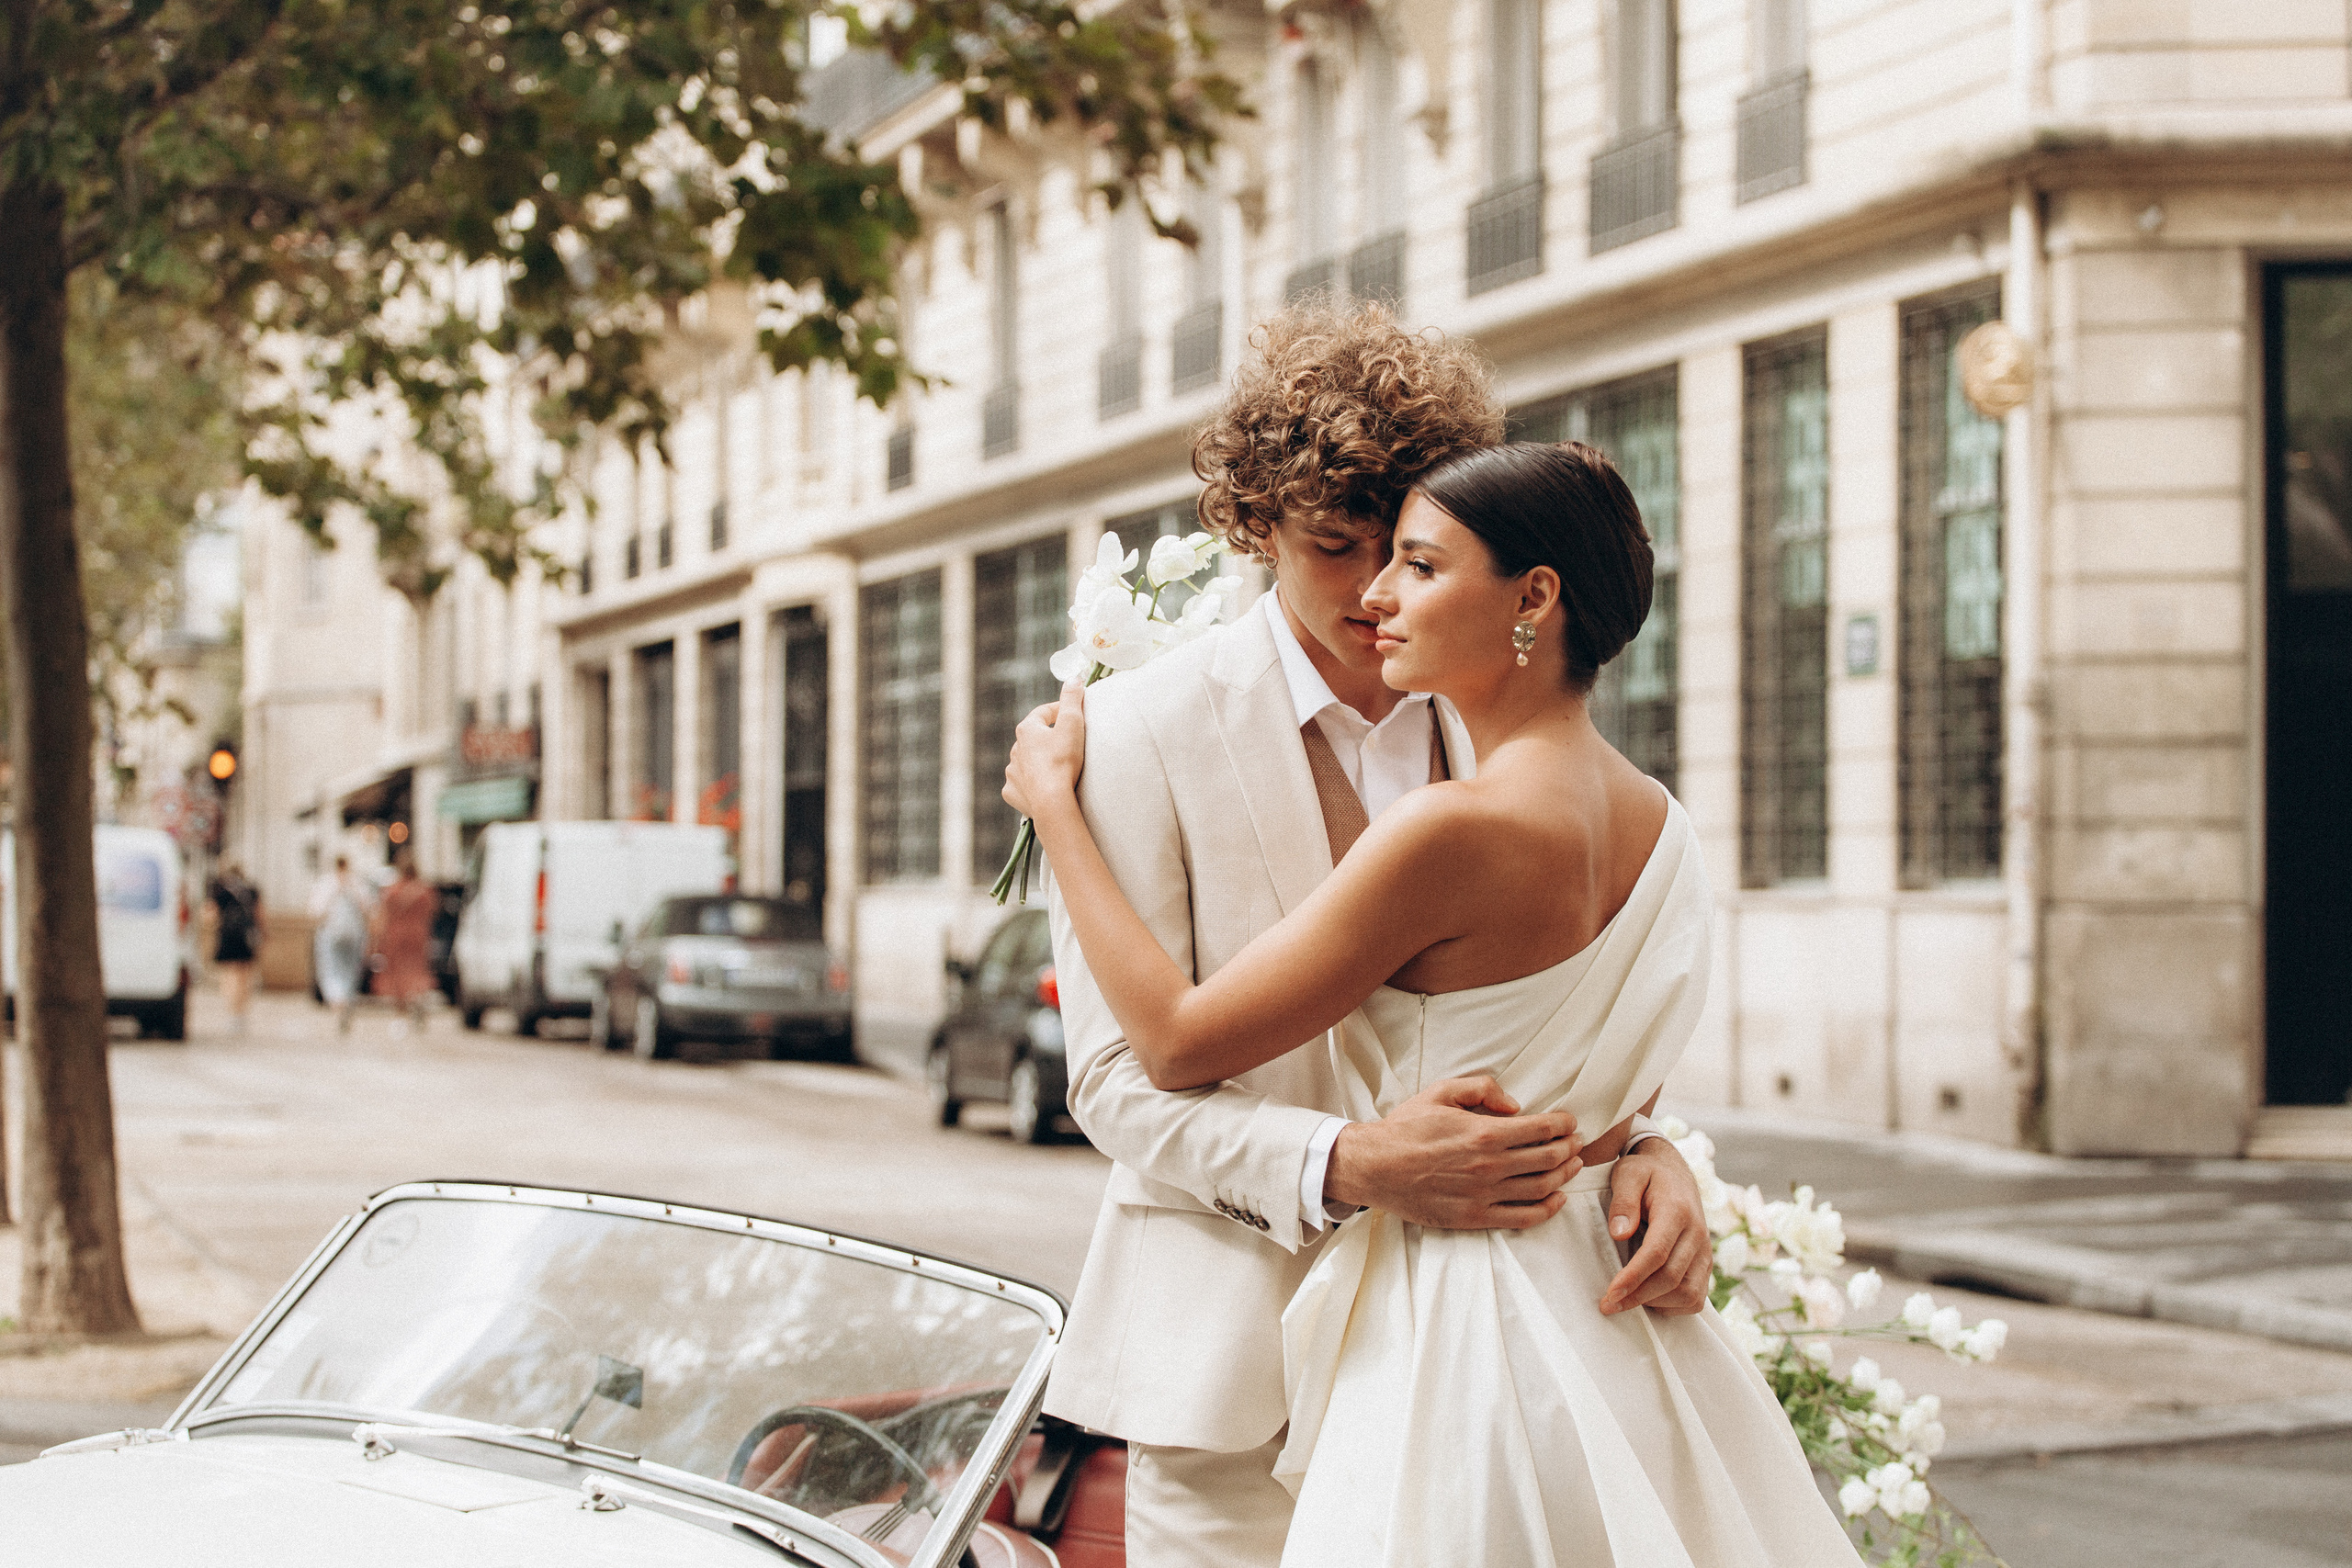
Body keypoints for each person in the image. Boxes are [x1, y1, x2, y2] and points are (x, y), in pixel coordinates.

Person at [1007, 440, 1861, 1567]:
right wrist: (1349, 1162)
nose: (1372, 590)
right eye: (1338, 547)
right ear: (1260, 530)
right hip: (1238, 1372)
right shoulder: (1145, 729)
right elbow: (1115, 1079)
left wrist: (1642, 1144)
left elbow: (1182, 1038)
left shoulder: (1465, 791)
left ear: (1530, 597)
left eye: (1410, 556)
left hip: (1468, 1349)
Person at [370, 851, 437, 1031]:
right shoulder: (424, 890)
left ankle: (402, 1013)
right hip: (418, 936)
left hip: (396, 936)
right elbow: (431, 911)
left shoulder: (392, 890)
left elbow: (384, 915)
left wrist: (377, 940)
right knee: (416, 970)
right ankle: (418, 998)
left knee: (397, 975)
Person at [309, 854, 371, 1034]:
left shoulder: (325, 883)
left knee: (330, 969)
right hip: (354, 934)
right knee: (351, 970)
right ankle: (347, 1001)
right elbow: (367, 908)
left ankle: (338, 1003)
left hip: (331, 933)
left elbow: (316, 911)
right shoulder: (357, 883)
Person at [208, 862, 263, 1034]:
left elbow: (210, 915)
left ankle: (232, 1013)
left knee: (229, 976)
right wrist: (263, 935)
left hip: (227, 937)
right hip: (246, 937)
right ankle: (241, 1014)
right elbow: (260, 914)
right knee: (245, 977)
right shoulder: (251, 890)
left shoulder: (220, 891)